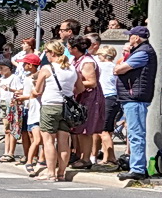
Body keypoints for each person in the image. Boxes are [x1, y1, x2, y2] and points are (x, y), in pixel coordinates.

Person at [115, 25, 158, 180]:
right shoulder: (141, 51)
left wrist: (120, 65)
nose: (128, 38)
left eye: (130, 36)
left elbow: (119, 69)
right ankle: (138, 167)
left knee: (136, 134)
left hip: (135, 98)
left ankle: (138, 169)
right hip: (134, 97)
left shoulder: (142, 52)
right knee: (135, 133)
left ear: (136, 38)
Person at [33, 40, 77, 182]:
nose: (45, 54)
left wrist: (33, 90)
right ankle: (61, 173)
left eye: (46, 52)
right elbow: (80, 87)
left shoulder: (47, 68)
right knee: (64, 141)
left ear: (52, 53)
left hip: (50, 105)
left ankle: (51, 173)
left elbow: (37, 91)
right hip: (66, 107)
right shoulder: (72, 69)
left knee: (49, 141)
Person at [68, 35, 107, 168]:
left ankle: (86, 159)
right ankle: (80, 156)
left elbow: (92, 82)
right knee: (79, 129)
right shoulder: (75, 60)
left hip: (89, 98)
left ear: (75, 48)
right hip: (79, 97)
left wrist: (72, 83)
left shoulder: (87, 62)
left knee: (85, 129)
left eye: (69, 47)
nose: (68, 49)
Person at [96, 45, 122, 170]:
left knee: (103, 130)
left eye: (99, 55)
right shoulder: (116, 67)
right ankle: (106, 157)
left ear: (104, 55)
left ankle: (111, 156)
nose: (98, 57)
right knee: (109, 129)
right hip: (115, 98)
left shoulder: (101, 66)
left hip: (106, 97)